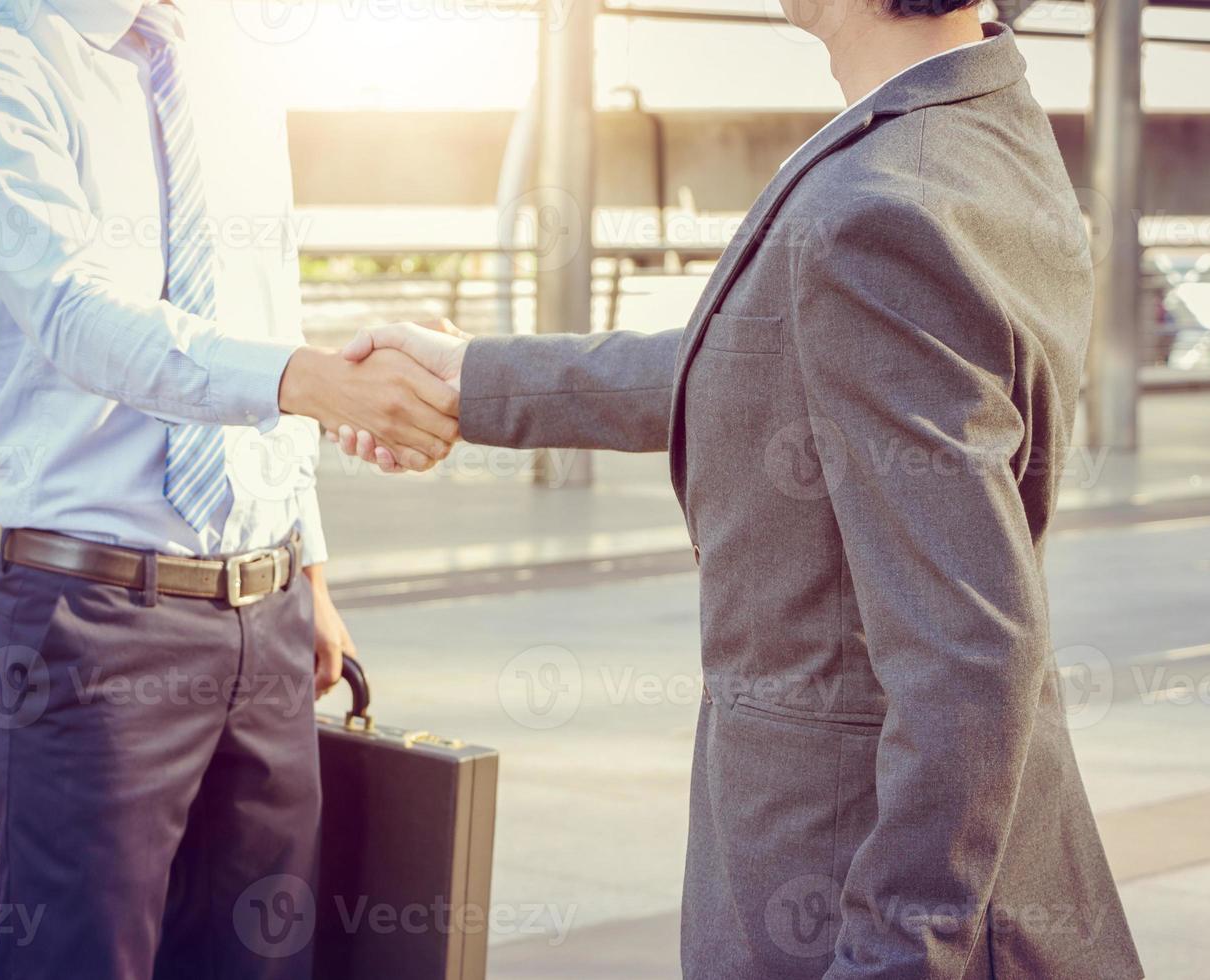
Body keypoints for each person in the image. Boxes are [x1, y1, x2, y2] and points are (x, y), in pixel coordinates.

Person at [339, 3, 1143, 978]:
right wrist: (473, 378)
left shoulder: (877, 212)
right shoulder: (979, 125)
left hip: (839, 876)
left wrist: (894, 956)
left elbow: (969, 656)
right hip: (977, 858)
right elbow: (767, 365)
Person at [0, 0, 456, 976]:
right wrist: (313, 377)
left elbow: (263, 304)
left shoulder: (234, 64)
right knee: (86, 957)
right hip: (96, 626)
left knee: (261, 958)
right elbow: (80, 318)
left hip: (271, 613)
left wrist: (314, 574)